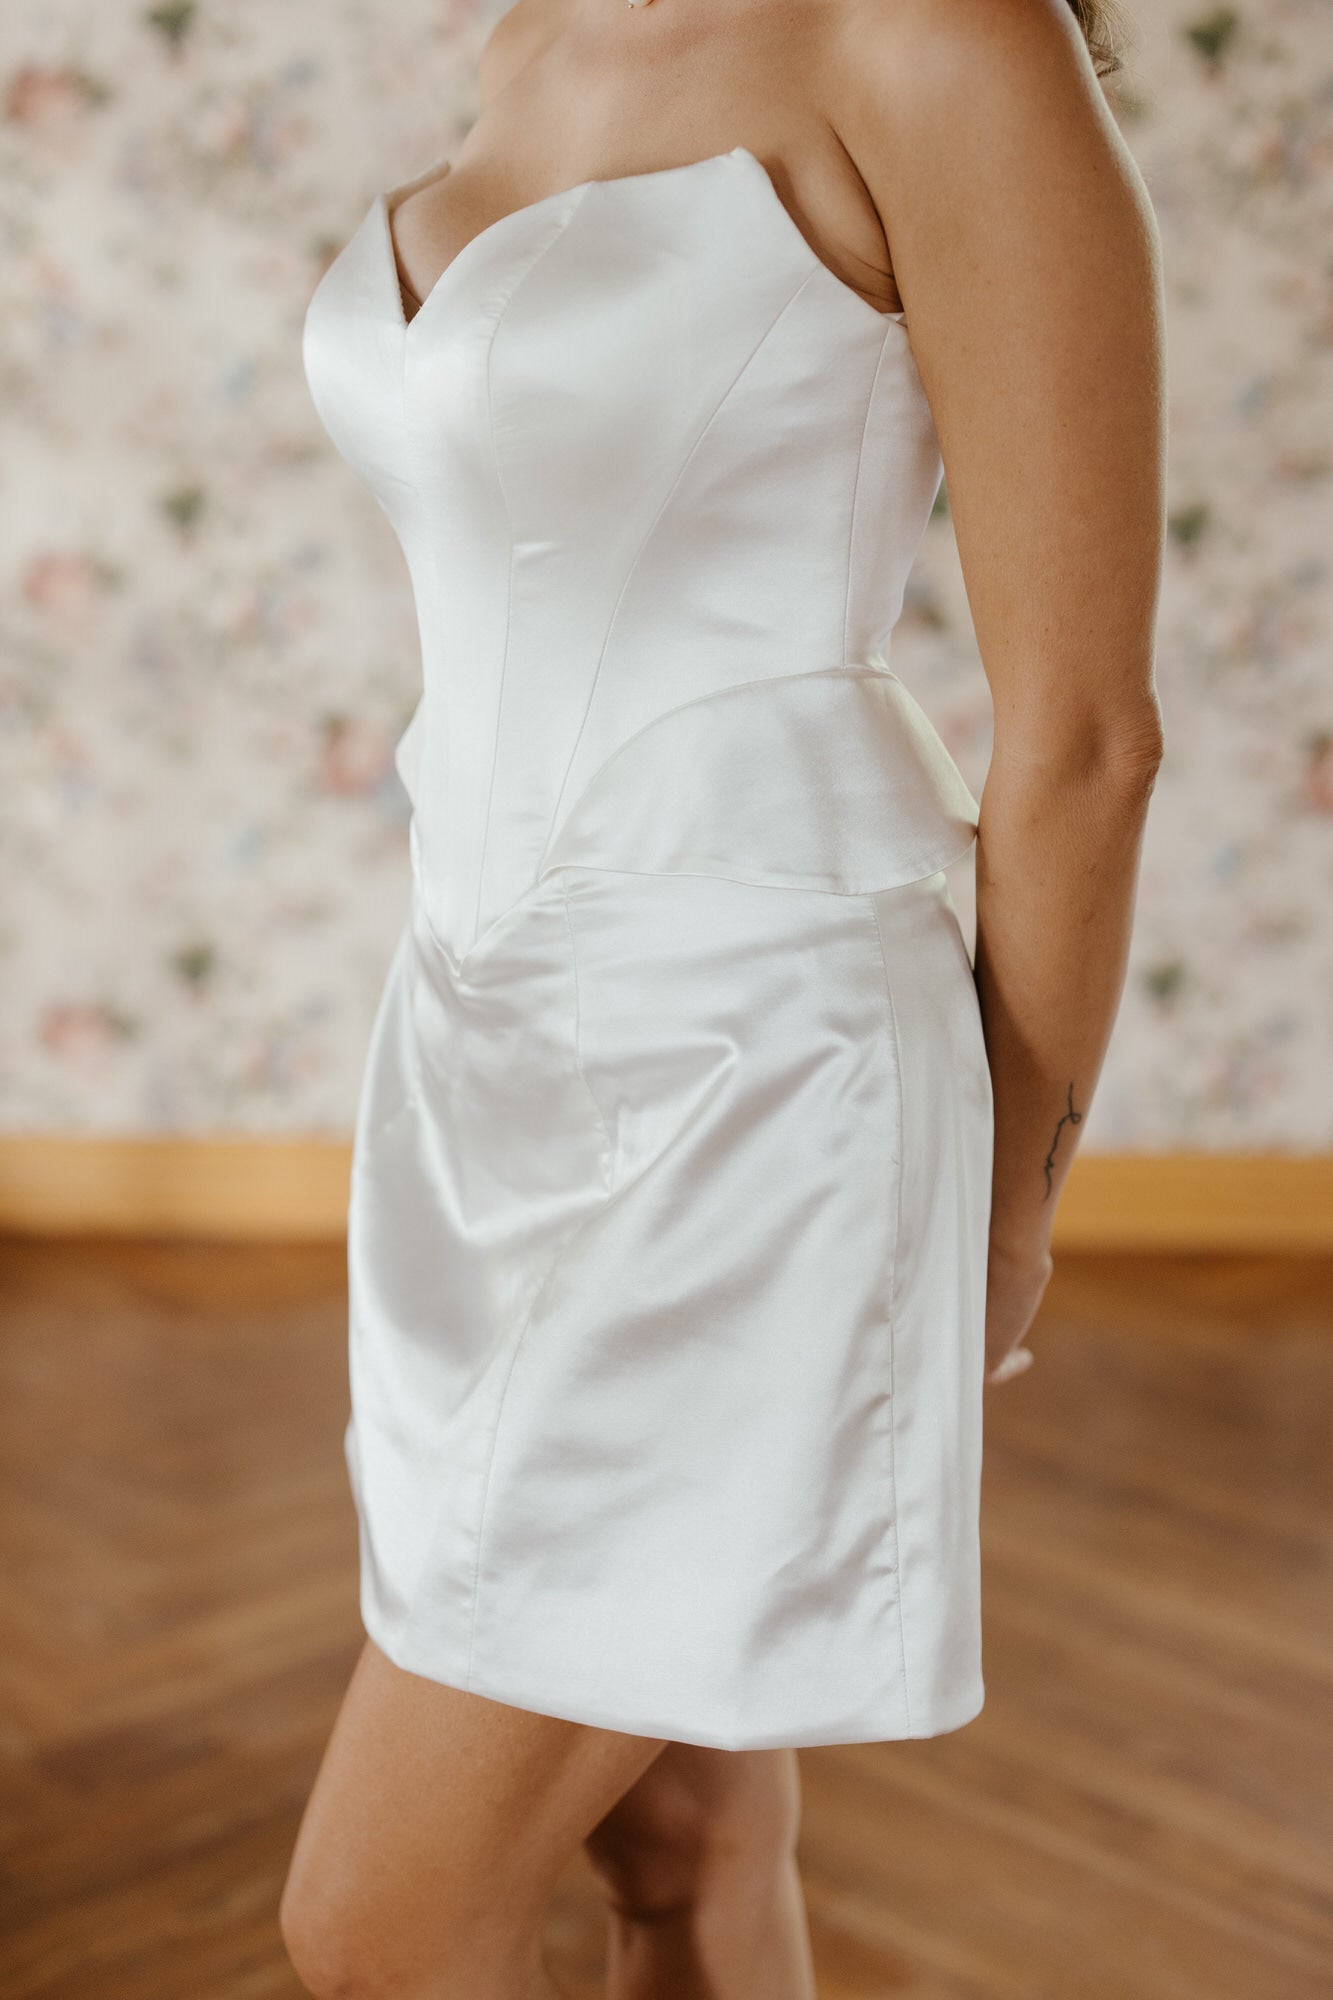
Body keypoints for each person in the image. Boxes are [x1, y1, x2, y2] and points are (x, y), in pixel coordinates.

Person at [284, 0, 1165, 1991]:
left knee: (378, 1920)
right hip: (471, 1047)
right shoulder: (525, 41)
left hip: (755, 1078)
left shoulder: (938, 39)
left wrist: (1010, 1190)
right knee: (677, 1839)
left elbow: (1088, 740)